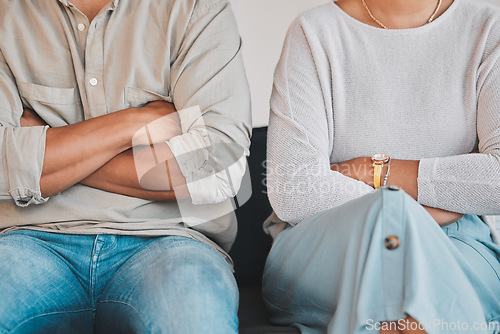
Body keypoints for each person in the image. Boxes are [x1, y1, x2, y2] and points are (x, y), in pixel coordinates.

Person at [0, 0, 251, 333]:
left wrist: (48, 152)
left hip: (170, 239)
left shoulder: (195, 8)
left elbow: (220, 168)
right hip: (28, 241)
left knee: (195, 320)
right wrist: (134, 122)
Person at [263, 0, 500, 333]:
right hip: (330, 248)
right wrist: (426, 202)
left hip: (457, 245)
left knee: (416, 309)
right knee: (435, 312)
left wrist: (373, 170)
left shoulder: (489, 29)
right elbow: (295, 191)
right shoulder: (314, 31)